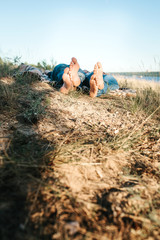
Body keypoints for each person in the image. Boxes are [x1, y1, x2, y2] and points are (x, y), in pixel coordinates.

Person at [51, 57, 119, 98]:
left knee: (62, 68)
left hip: (83, 73)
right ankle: (99, 89)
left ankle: (70, 84)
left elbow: (50, 73)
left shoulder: (80, 71)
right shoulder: (90, 73)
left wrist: (47, 72)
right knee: (110, 80)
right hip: (89, 75)